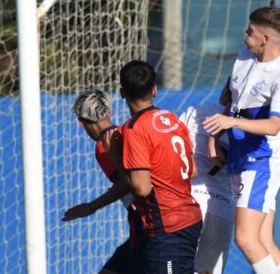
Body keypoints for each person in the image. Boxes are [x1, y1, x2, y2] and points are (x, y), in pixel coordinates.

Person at [202, 6, 280, 274]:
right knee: (263, 239)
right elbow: (230, 101)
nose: (244, 34)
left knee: (245, 237)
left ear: (265, 39)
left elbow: (274, 125)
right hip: (240, 152)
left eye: (250, 31)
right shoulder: (246, 55)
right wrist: (214, 140)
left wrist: (232, 122)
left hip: (263, 157)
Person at [118, 60, 203, 274]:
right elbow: (192, 170)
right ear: (154, 90)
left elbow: (142, 188)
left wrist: (114, 157)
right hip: (190, 217)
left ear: (122, 92)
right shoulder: (172, 119)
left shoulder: (134, 129)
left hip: (168, 226)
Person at [61, 89, 143, 274]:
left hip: (146, 224)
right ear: (109, 113)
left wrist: (91, 207)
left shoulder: (102, 146)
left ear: (81, 123)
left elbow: (126, 183)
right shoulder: (125, 132)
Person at [178, 84, 235, 274]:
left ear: (226, 91)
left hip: (189, 201)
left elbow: (175, 153)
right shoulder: (248, 126)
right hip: (222, 208)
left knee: (175, 267)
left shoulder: (196, 112)